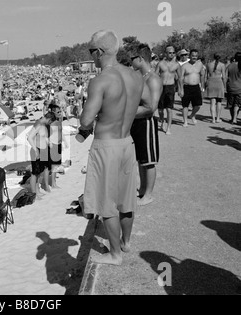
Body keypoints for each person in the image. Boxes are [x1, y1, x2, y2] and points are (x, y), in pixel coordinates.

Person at [80, 30, 143, 266]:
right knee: (127, 199)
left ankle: (115, 254)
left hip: (107, 145)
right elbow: (147, 106)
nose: (92, 57)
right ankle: (126, 243)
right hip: (127, 142)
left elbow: (86, 121)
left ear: (98, 52)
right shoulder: (136, 76)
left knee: (107, 203)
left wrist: (90, 113)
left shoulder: (101, 80)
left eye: (91, 52)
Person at [131, 44, 163, 206]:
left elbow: (152, 107)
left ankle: (149, 194)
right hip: (137, 122)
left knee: (149, 160)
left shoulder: (153, 79)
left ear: (141, 59)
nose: (131, 62)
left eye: (132, 58)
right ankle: (143, 189)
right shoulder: (140, 77)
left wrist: (126, 112)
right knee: (141, 159)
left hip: (147, 122)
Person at [27, 112, 56, 199]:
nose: (50, 124)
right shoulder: (38, 124)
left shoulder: (42, 124)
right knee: (34, 173)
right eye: (50, 122)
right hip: (36, 150)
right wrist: (36, 150)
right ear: (49, 119)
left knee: (38, 172)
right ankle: (33, 194)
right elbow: (29, 137)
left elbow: (43, 137)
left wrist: (49, 143)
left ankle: (37, 191)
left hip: (42, 149)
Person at [156, 45, 181, 135]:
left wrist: (181, 89)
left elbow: (180, 78)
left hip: (171, 87)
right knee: (160, 110)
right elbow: (155, 76)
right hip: (161, 87)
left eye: (173, 53)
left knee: (169, 109)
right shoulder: (160, 64)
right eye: (170, 53)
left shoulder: (177, 65)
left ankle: (169, 127)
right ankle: (162, 121)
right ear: (166, 53)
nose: (172, 54)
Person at [179, 49, 206, 127]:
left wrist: (203, 87)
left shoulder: (200, 64)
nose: (194, 57)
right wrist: (181, 89)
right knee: (185, 105)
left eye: (196, 56)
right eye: (193, 56)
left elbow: (202, 75)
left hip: (196, 87)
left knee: (197, 105)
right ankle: (185, 121)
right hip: (186, 87)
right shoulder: (184, 66)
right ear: (189, 56)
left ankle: (192, 115)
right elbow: (180, 78)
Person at [48, 105, 66, 189]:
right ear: (53, 112)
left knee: (56, 165)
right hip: (53, 145)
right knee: (53, 165)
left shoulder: (59, 121)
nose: (60, 113)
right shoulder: (51, 123)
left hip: (59, 144)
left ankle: (53, 182)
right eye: (58, 112)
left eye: (60, 111)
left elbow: (60, 133)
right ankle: (53, 183)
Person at [205, 53, 226, 123]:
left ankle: (213, 119)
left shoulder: (208, 64)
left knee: (212, 102)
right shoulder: (222, 65)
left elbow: (206, 76)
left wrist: (205, 84)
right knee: (219, 102)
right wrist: (225, 86)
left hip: (211, 82)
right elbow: (224, 77)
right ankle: (218, 118)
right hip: (219, 82)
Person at [226, 52, 241, 124]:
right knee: (237, 104)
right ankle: (234, 119)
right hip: (239, 88)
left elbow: (226, 76)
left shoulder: (230, 66)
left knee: (231, 104)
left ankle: (232, 118)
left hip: (230, 87)